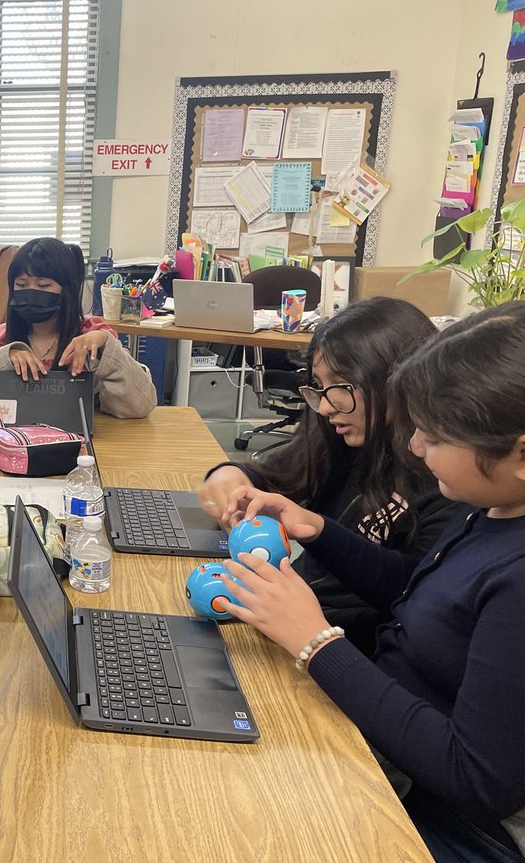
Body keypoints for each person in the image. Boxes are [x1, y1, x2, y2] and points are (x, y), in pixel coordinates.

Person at [218, 302, 525, 862]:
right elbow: (415, 599)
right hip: (388, 746)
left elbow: (474, 780)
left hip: (442, 821)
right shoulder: (495, 509)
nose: (412, 447)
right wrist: (318, 531)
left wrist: (317, 643)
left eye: (434, 436)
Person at [197, 297, 455, 655]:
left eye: (342, 387)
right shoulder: (343, 435)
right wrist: (229, 474)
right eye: (319, 387)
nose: (327, 405)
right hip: (288, 617)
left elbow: (409, 591)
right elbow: (277, 471)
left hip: (335, 648)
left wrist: (319, 530)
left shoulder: (447, 479)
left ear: (398, 380)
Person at [0, 237, 156, 419]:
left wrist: (107, 347)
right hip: (12, 441)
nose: (31, 292)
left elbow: (141, 405)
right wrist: (5, 357)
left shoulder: (91, 339)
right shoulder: (0, 339)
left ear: (67, 289)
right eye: (21, 285)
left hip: (82, 445)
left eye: (43, 285)